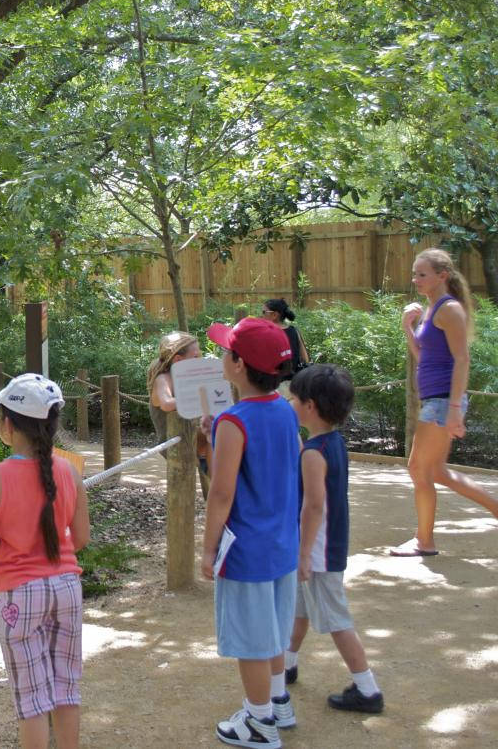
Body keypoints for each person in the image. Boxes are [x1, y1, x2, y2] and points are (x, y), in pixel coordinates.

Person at [0, 373, 90, 749]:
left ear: (7, 425)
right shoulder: (69, 470)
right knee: (65, 687)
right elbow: (81, 538)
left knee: (33, 698)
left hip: (18, 595)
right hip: (67, 588)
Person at [201, 317, 300, 748]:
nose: (221, 356)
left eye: (226, 351)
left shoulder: (234, 421)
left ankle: (259, 722)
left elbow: (221, 494)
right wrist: (216, 434)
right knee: (273, 630)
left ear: (239, 365)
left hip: (246, 550)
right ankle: (277, 702)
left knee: (251, 641)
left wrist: (207, 550)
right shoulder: (284, 409)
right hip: (282, 545)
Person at [392, 248, 498, 557]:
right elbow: (425, 358)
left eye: (422, 274)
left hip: (443, 402)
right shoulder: (432, 309)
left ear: (442, 276)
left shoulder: (449, 310)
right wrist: (407, 327)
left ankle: (425, 541)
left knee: (420, 469)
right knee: (434, 471)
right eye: (414, 274)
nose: (416, 279)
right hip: (435, 400)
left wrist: (454, 412)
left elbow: (463, 360)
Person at [283, 363, 385, 714]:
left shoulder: (314, 453)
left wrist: (302, 555)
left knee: (336, 619)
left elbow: (312, 507)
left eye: (293, 398)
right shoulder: (329, 443)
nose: (289, 402)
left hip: (317, 549)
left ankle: (367, 689)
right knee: (299, 607)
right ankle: (287, 664)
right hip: (324, 544)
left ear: (309, 406)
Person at [148, 331, 211, 495]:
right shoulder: (163, 379)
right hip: (173, 441)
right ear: (178, 360)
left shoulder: (187, 377)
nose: (199, 359)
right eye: (195, 356)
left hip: (190, 437)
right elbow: (167, 404)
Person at [263, 299, 310, 381]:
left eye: (264, 312)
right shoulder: (294, 330)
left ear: (275, 315)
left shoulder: (267, 332)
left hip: (273, 384)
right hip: (293, 382)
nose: (262, 315)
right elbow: (305, 358)